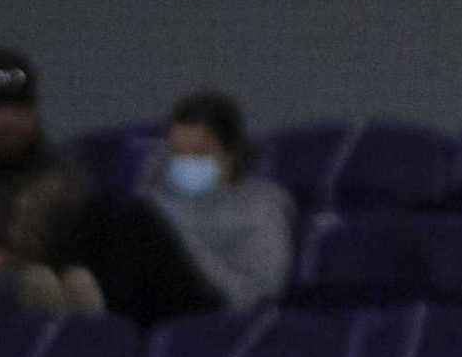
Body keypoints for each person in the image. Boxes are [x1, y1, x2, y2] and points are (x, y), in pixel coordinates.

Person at [50, 89, 292, 326]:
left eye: (199, 153)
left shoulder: (261, 205)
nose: (187, 163)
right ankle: (67, 291)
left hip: (214, 295)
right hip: (145, 285)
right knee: (100, 207)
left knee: (136, 216)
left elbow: (261, 288)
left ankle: (86, 307)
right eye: (178, 153)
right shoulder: (160, 191)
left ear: (230, 154)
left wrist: (179, 239)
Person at [0, 46, 88, 324]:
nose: (8, 120)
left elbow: (62, 253)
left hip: (20, 286)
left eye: (19, 107)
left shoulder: (59, 175)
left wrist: (8, 262)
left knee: (75, 284)